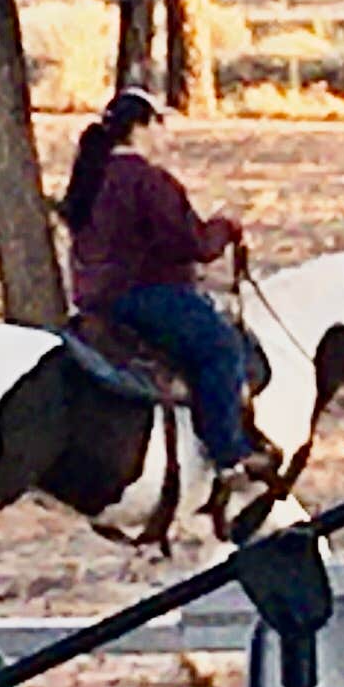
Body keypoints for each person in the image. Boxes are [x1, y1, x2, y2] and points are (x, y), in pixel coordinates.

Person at [60, 88, 276, 499]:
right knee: (222, 348)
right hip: (146, 295)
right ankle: (228, 454)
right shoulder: (149, 181)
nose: (166, 134)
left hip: (96, 298)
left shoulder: (92, 177)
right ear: (142, 127)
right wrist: (227, 226)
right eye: (161, 123)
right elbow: (192, 244)